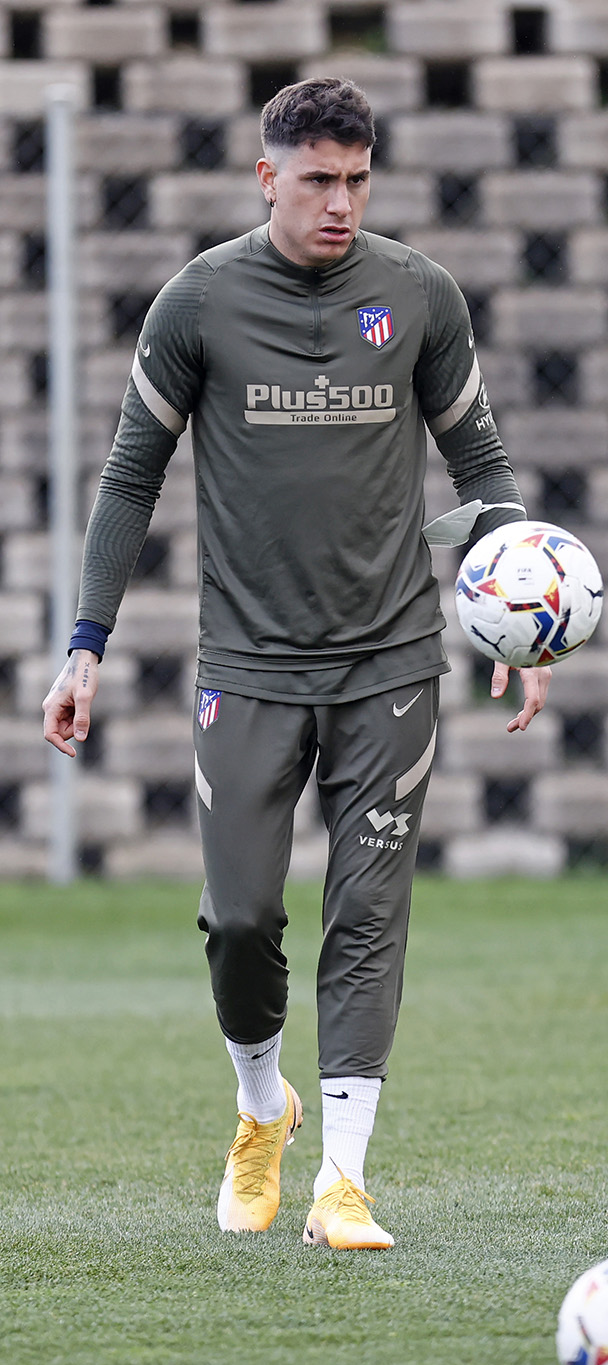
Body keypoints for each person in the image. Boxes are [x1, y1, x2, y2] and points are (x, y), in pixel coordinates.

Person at [41, 77, 549, 1250]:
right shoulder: (197, 303)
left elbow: (480, 462)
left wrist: (528, 620)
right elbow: (129, 477)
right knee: (239, 918)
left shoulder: (419, 296)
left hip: (391, 664)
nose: (340, 203)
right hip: (249, 667)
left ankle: (344, 1182)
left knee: (367, 912)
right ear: (267, 176)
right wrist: (84, 646)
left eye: (358, 180)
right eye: (318, 179)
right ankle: (262, 1106)